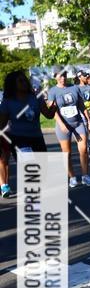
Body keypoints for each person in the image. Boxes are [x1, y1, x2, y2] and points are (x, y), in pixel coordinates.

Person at [0, 69, 52, 197]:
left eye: (25, 80)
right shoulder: (8, 102)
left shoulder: (35, 98)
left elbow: (49, 115)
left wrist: (55, 107)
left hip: (37, 137)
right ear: (13, 84)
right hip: (18, 139)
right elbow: (1, 125)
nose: (24, 83)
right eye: (20, 81)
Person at [46, 69, 90, 186]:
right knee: (66, 153)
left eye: (65, 75)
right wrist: (61, 124)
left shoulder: (74, 88)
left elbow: (82, 106)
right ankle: (72, 177)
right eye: (60, 76)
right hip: (63, 126)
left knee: (83, 150)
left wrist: (89, 122)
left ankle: (85, 176)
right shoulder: (52, 91)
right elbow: (52, 111)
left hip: (77, 123)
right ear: (55, 77)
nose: (63, 78)